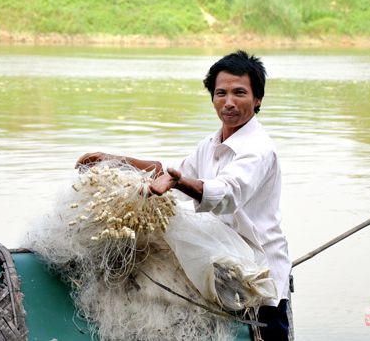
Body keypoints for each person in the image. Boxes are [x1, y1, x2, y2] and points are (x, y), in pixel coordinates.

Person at [76, 50, 292, 341]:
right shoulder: (211, 143)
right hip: (224, 267)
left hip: (258, 276)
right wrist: (113, 159)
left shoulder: (258, 149)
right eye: (221, 93)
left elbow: (227, 193)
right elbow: (170, 170)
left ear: (257, 99)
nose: (228, 102)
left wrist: (179, 183)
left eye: (239, 93)